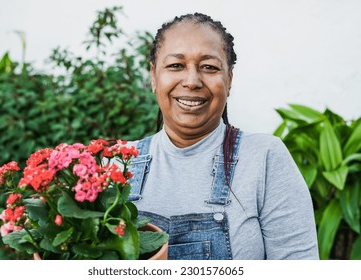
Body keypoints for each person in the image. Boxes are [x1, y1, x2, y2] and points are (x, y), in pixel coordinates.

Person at [127, 13, 319, 260]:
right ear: (154, 77)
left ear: (229, 79)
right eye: (176, 65)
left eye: (209, 67)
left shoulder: (264, 159)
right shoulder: (117, 166)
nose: (192, 81)